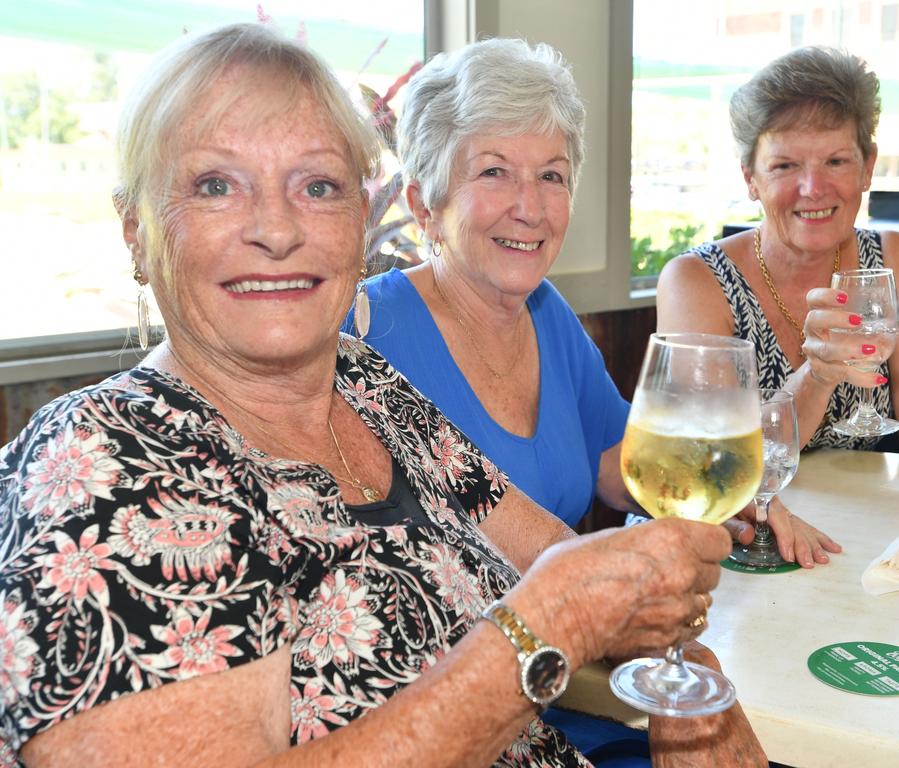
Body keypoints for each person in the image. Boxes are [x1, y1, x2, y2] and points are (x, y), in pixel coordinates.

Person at [0, 23, 767, 768]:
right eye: (215, 185)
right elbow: (561, 600)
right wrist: (546, 627)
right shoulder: (105, 462)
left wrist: (694, 691)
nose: (277, 228)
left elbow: (570, 564)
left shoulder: (365, 386)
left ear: (360, 222)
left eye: (319, 186)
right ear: (136, 229)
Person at [343, 38, 834, 572]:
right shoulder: (363, 332)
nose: (530, 208)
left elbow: (622, 468)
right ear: (424, 204)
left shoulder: (547, 313)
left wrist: (731, 500)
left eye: (551, 175)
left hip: (569, 642)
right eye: (494, 171)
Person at [656, 46, 899, 513]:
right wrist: (819, 375)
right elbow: (713, 464)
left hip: (863, 533)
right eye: (785, 165)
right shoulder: (696, 281)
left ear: (867, 167)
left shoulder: (894, 259)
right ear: (751, 177)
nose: (813, 189)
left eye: (835, 161)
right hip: (745, 540)